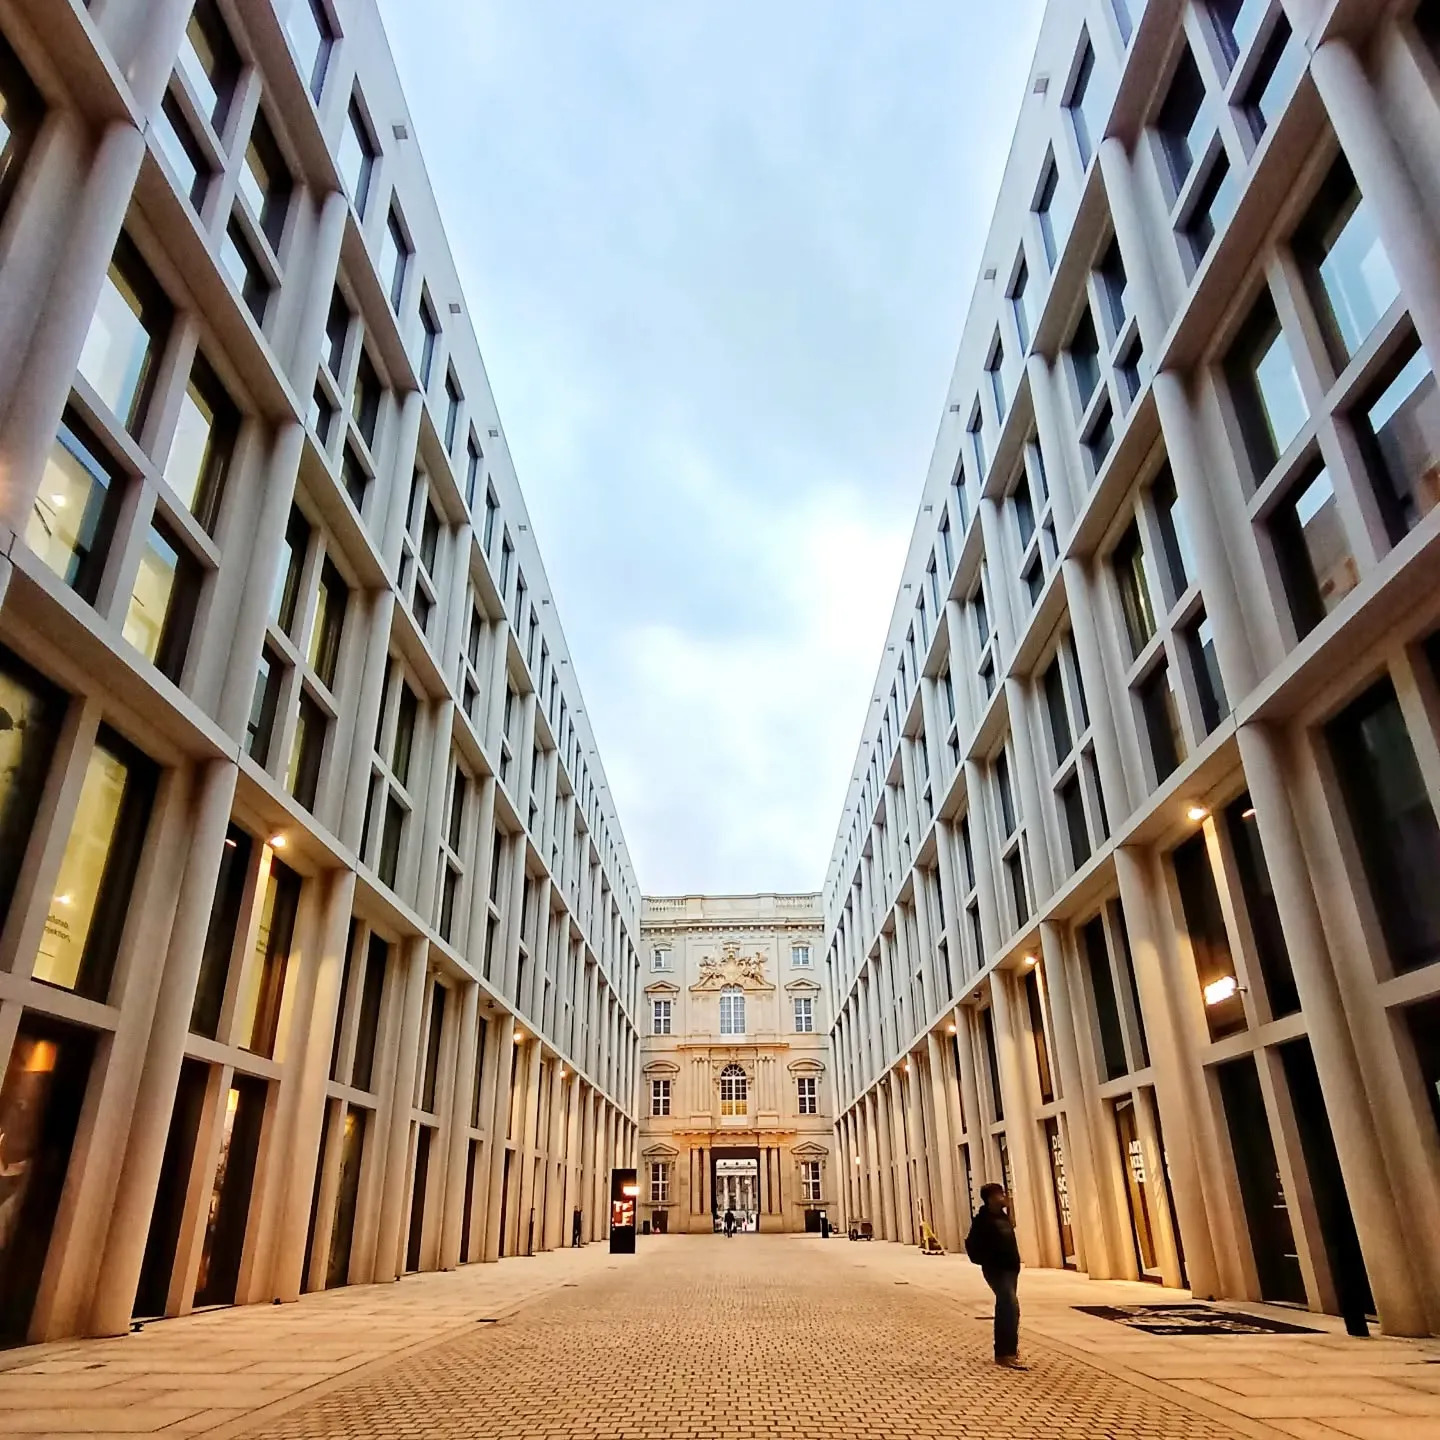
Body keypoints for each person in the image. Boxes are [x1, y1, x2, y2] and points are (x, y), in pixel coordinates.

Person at [965, 1183, 1025, 1369]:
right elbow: (972, 1245)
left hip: (1010, 1269)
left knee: (1009, 1308)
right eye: (1000, 1195)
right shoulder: (983, 1220)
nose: (1004, 1197)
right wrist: (988, 1260)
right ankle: (1004, 1353)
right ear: (991, 1198)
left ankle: (1009, 1351)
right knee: (1008, 1307)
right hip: (997, 1269)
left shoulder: (1003, 1217)